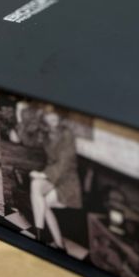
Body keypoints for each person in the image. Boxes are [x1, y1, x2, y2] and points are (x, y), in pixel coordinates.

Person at [29, 106, 82, 250]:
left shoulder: (66, 133)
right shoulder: (46, 135)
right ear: (44, 118)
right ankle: (41, 235)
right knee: (35, 186)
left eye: (55, 114)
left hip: (67, 180)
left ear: (59, 115)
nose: (52, 117)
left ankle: (55, 242)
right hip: (53, 176)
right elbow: (29, 141)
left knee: (44, 201)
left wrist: (43, 175)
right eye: (48, 115)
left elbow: (65, 162)